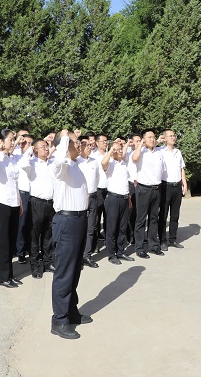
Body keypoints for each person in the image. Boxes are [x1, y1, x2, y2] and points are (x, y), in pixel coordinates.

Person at [50, 130, 92, 339]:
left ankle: (71, 312)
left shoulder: (75, 165)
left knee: (75, 270)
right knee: (65, 272)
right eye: (75, 142)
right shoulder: (60, 166)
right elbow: (59, 162)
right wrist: (64, 138)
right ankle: (59, 320)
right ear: (65, 146)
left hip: (79, 220)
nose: (79, 145)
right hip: (67, 222)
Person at [0, 129, 25, 289]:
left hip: (14, 202)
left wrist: (20, 201)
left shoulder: (12, 157)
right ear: (2, 141)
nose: (13, 142)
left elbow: (15, 182)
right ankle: (2, 277)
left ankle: (9, 274)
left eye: (13, 139)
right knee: (3, 241)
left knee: (11, 240)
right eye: (10, 139)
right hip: (2, 203)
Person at [22, 139, 56, 278]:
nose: (46, 149)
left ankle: (48, 262)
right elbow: (23, 164)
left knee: (48, 236)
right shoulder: (32, 163)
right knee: (34, 236)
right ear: (35, 150)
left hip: (51, 203)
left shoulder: (52, 163)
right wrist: (30, 149)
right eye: (43, 147)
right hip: (37, 203)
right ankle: (35, 266)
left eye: (47, 147)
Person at [132, 129, 165, 258]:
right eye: (149, 137)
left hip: (156, 189)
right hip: (143, 189)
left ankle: (153, 246)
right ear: (144, 139)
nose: (152, 139)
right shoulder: (141, 151)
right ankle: (139, 248)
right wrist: (141, 144)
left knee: (153, 218)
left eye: (153, 137)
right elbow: (135, 158)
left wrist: (157, 142)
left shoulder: (158, 152)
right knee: (141, 219)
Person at [101, 140, 135, 264]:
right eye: (117, 149)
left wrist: (129, 198)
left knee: (122, 228)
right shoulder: (110, 163)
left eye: (120, 149)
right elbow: (103, 163)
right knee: (112, 228)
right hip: (113, 199)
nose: (119, 151)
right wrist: (111, 150)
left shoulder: (123, 164)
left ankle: (120, 251)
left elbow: (125, 183)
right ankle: (111, 254)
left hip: (124, 199)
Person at [158, 129, 188, 250]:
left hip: (177, 186)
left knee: (175, 215)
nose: (173, 137)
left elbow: (182, 168)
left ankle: (173, 239)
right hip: (165, 186)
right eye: (170, 136)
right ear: (164, 138)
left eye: (174, 135)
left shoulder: (178, 152)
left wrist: (184, 183)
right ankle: (162, 240)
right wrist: (158, 141)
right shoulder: (160, 151)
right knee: (163, 215)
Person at [77, 139, 100, 268]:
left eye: (90, 145)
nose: (89, 147)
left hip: (93, 196)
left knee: (91, 228)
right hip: (80, 197)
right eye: (85, 145)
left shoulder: (94, 162)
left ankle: (87, 255)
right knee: (79, 228)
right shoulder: (76, 162)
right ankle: (78, 256)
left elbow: (97, 179)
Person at [15, 133, 34, 264]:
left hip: (33, 194)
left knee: (31, 225)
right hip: (22, 193)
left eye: (31, 143)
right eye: (27, 143)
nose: (30, 146)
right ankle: (20, 251)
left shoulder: (34, 159)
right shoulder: (17, 157)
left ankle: (30, 249)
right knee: (21, 225)